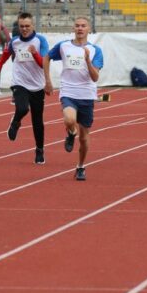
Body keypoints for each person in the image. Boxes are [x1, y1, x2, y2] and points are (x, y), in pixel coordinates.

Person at [43, 16, 103, 180]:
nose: (80, 28)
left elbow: (95, 77)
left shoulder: (95, 50)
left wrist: (87, 61)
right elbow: (46, 58)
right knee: (69, 119)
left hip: (87, 95)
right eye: (77, 26)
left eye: (83, 26)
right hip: (69, 92)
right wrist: (47, 81)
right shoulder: (64, 46)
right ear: (73, 28)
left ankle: (81, 166)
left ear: (88, 29)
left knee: (84, 138)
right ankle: (71, 132)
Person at [0, 12, 49, 164]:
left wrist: (35, 54)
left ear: (33, 26)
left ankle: (39, 149)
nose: (24, 29)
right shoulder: (15, 41)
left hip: (37, 85)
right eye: (21, 26)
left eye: (27, 26)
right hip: (20, 82)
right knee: (23, 108)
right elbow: (5, 54)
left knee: (37, 121)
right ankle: (16, 121)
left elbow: (43, 64)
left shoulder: (40, 41)